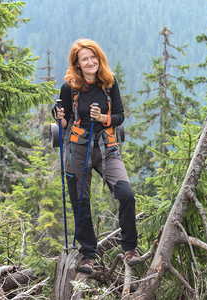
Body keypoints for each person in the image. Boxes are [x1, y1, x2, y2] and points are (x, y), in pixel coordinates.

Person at [54, 39, 141, 273]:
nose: (90, 62)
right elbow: (64, 123)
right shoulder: (69, 87)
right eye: (85, 59)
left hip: (106, 148)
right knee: (80, 202)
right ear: (78, 64)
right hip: (78, 149)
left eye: (93, 57)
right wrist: (58, 116)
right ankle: (88, 255)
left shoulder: (109, 84)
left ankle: (129, 248)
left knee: (126, 194)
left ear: (99, 59)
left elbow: (120, 116)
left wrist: (103, 119)